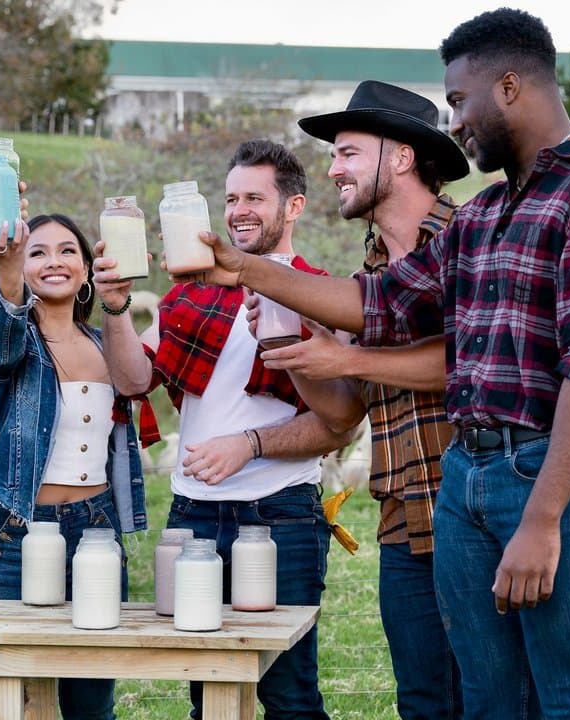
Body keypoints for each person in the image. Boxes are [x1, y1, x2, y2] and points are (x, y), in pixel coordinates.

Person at [185, 10, 570, 719]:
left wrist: (542, 519)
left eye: (459, 101)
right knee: (486, 704)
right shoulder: (487, 215)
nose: (456, 122)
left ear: (510, 87)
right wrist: (245, 267)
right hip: (471, 478)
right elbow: (378, 301)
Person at [94, 139, 352, 719]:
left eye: (255, 198)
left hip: (282, 513)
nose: (238, 210)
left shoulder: (322, 294)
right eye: (232, 198)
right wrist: (114, 307)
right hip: (194, 516)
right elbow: (134, 380)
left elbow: (337, 425)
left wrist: (249, 445)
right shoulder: (192, 294)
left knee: (289, 697)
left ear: (294, 206)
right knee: (207, 694)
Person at [265, 81, 469, 719]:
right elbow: (344, 411)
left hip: (475, 515)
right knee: (424, 703)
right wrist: (298, 349)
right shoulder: (371, 270)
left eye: (348, 153)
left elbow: (470, 362)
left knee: (491, 701)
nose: (333, 169)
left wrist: (348, 356)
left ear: (402, 158)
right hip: (403, 516)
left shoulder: (470, 239)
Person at [0, 213, 148, 720]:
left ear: (86, 270)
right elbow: (1, 342)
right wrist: (6, 272)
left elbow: (139, 381)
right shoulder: (15, 343)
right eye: (37, 252)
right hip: (19, 530)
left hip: (96, 529)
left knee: (91, 703)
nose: (53, 261)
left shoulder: (106, 344)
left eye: (67, 251)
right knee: (16, 700)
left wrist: (118, 303)